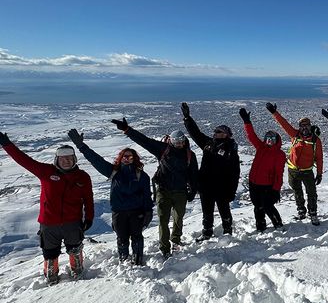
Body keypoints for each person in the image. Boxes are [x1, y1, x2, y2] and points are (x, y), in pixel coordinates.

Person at [0, 132, 94, 284]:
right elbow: (23, 160)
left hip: (72, 222)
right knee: (50, 254)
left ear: (74, 159)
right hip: (49, 224)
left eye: (69, 158)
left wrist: (89, 218)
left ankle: (77, 271)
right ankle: (51, 276)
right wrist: (6, 144)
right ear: (57, 159)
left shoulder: (83, 177)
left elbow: (88, 199)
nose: (66, 161)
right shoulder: (45, 171)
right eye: (63, 158)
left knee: (75, 249)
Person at [111, 117, 198, 258]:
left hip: (180, 191)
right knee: (163, 220)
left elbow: (194, 174)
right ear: (171, 141)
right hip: (163, 190)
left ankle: (175, 240)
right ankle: (164, 248)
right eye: (177, 142)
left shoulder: (189, 155)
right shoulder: (163, 150)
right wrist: (127, 130)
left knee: (178, 218)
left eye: (182, 142)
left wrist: (193, 190)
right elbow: (144, 141)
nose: (180, 144)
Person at [68, 129, 153, 265]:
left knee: (137, 237)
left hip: (136, 212)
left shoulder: (142, 176)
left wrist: (148, 211)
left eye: (130, 156)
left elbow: (147, 196)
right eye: (125, 156)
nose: (127, 158)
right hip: (119, 213)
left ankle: (138, 261)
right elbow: (96, 160)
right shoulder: (114, 172)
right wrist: (81, 146)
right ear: (120, 158)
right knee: (122, 238)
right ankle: (124, 261)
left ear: (134, 158)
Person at [181, 103, 240, 240]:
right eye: (215, 131)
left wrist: (232, 191)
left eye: (219, 131)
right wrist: (187, 118)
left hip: (222, 187)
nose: (215, 133)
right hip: (206, 186)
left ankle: (227, 231)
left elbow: (235, 173)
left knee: (224, 210)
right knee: (207, 212)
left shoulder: (232, 150)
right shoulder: (208, 143)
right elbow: (195, 134)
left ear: (226, 134)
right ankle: (207, 233)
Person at [266, 102, 323, 225]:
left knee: (311, 193)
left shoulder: (315, 140)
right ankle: (301, 211)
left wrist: (319, 174)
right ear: (299, 127)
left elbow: (319, 158)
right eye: (302, 125)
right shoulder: (294, 135)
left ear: (310, 126)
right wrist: (274, 112)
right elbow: (283, 124)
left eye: (307, 125)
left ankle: (313, 213)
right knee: (297, 191)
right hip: (293, 170)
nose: (304, 128)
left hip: (307, 171)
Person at [239, 107, 286, 231]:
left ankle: (278, 223)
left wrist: (276, 190)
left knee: (267, 206)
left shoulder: (279, 154)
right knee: (257, 206)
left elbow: (279, 174)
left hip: (267, 186)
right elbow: (252, 136)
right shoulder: (261, 148)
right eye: (267, 139)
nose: (269, 141)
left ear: (277, 141)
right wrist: (247, 122)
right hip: (254, 183)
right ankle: (261, 226)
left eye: (272, 139)